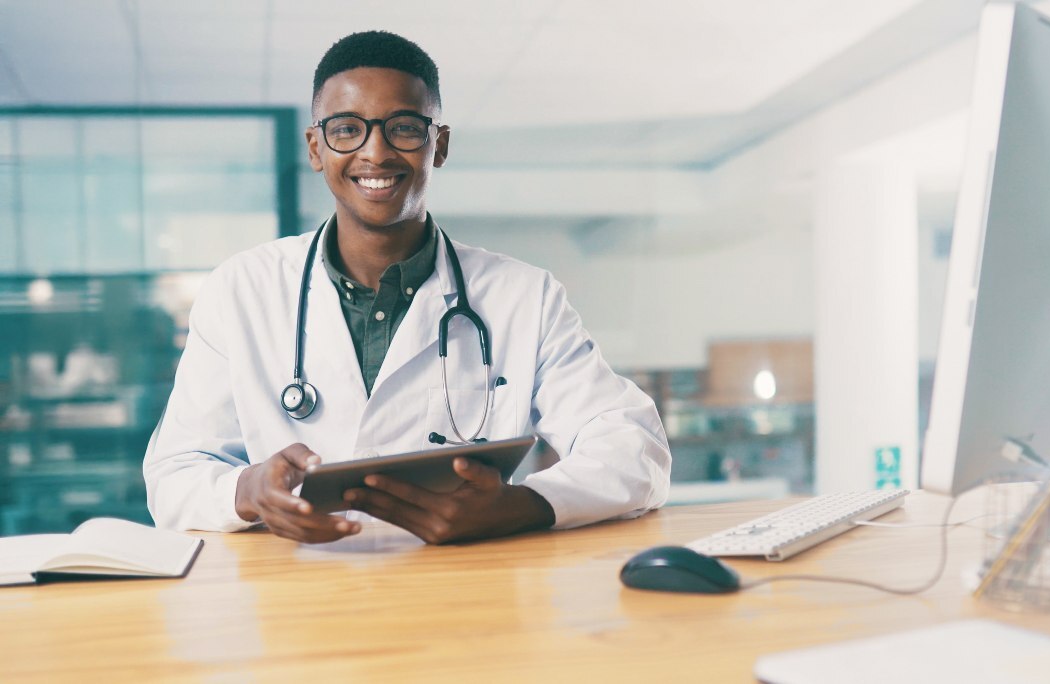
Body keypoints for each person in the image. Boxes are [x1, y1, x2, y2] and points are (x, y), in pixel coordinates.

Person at [143, 31, 671, 544]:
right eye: (347, 129)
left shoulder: (524, 296)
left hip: (465, 596)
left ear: (438, 145)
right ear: (315, 148)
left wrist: (524, 505)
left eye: (404, 128)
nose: (376, 153)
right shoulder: (241, 290)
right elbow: (174, 476)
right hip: (295, 601)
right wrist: (247, 489)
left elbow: (635, 447)